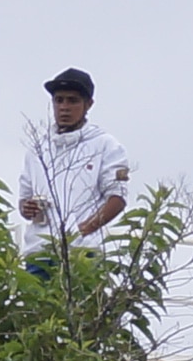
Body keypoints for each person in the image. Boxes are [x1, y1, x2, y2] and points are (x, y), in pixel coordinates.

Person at [19, 69, 132, 256]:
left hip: (82, 252)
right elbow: (24, 199)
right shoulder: (38, 149)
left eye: (72, 100)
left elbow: (117, 198)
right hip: (39, 252)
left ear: (88, 105)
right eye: (59, 100)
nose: (64, 107)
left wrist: (82, 231)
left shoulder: (106, 145)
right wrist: (27, 208)